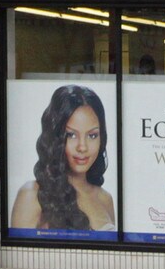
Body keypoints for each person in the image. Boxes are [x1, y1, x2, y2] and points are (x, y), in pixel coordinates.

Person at [10, 84, 115, 232]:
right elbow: (19, 254)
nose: (82, 147)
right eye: (71, 135)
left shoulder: (105, 199)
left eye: (92, 135)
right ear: (56, 137)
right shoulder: (32, 195)